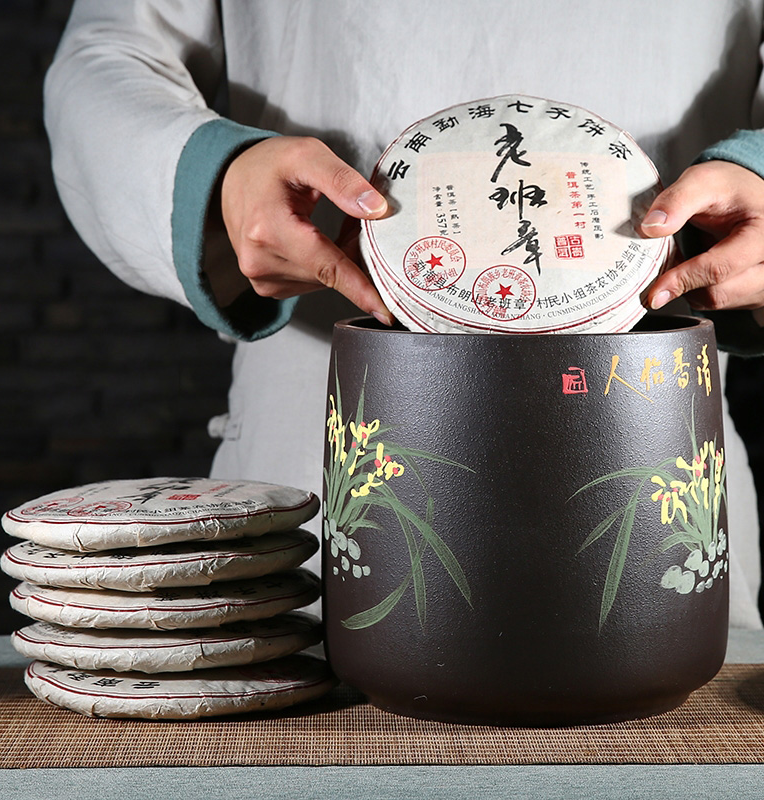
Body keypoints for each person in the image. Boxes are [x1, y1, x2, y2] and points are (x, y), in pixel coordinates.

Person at [44, 0, 764, 628]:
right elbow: (110, 54)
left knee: (656, 691)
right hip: (316, 449)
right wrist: (223, 177)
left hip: (652, 443)